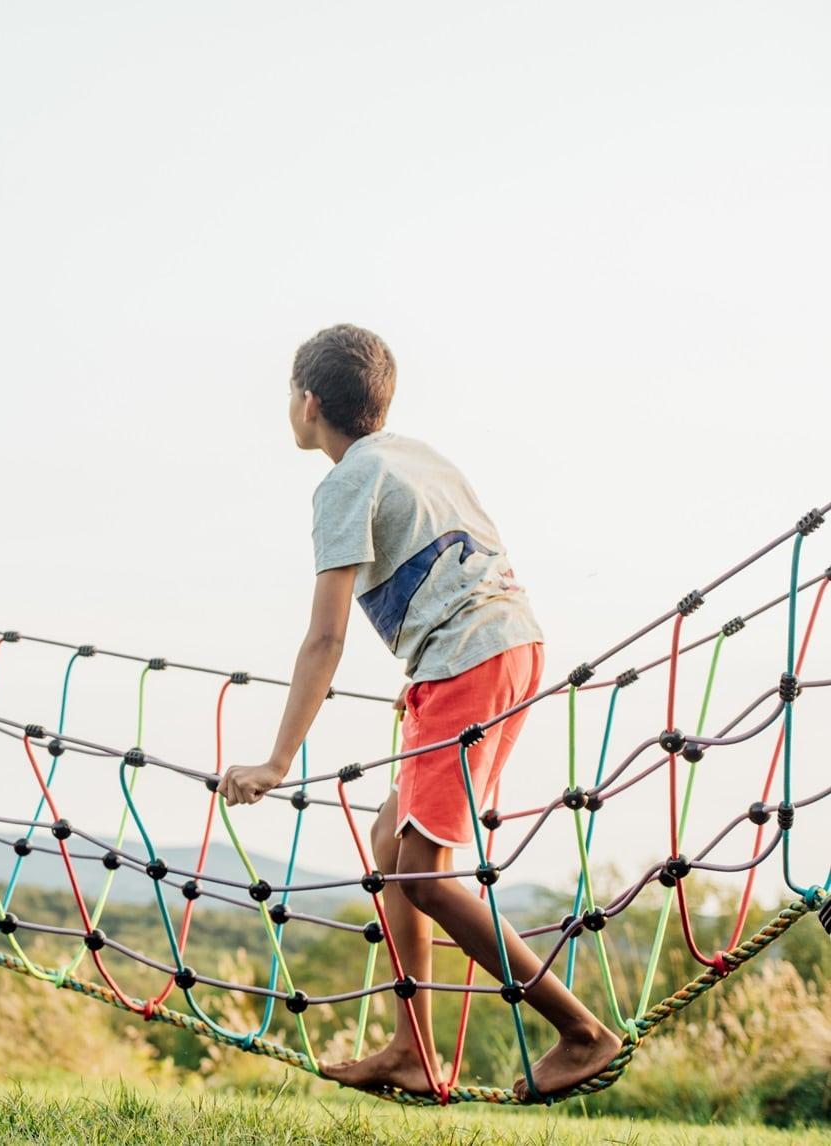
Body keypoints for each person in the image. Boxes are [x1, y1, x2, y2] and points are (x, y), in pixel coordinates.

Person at [217, 325, 619, 1099]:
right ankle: (412, 1051)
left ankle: (581, 1031)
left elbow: (325, 637)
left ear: (307, 404)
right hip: (504, 648)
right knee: (388, 840)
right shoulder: (419, 455)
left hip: (468, 662)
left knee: (426, 877)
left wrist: (275, 762)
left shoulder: (341, 484)